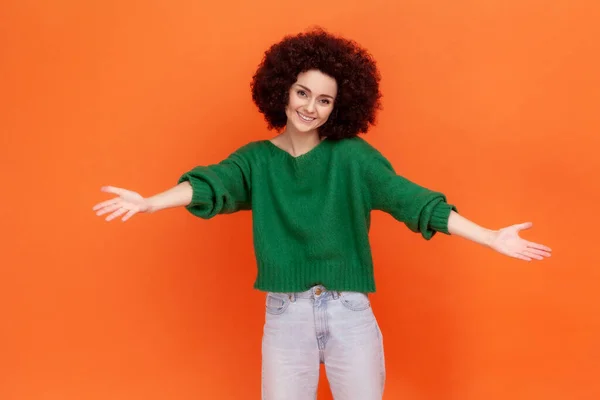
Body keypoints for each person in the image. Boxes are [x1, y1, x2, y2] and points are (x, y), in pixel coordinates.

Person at [93, 28, 552, 400]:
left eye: (324, 100)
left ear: (338, 108)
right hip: (284, 314)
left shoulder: (353, 159)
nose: (309, 107)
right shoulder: (255, 160)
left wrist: (490, 237)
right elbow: (212, 184)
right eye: (302, 92)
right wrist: (152, 201)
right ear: (283, 90)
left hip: (349, 313)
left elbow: (414, 202)